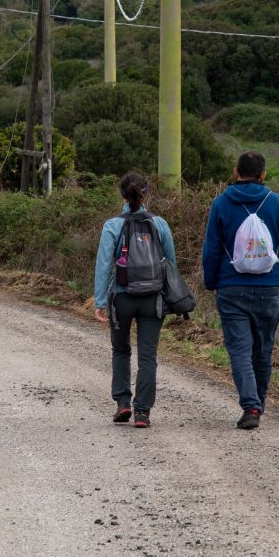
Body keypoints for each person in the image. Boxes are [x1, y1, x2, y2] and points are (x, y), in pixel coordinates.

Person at [201, 151, 279, 431]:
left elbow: (211, 249)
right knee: (263, 351)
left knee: (240, 351)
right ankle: (258, 404)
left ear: (236, 172)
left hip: (231, 287)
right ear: (263, 174)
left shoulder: (221, 203)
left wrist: (212, 282)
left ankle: (251, 406)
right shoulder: (278, 204)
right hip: (270, 288)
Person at [93, 172, 177, 429]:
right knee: (148, 355)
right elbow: (170, 263)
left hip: (121, 298)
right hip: (153, 299)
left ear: (121, 194)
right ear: (146, 193)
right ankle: (142, 412)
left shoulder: (112, 226)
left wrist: (100, 301)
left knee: (120, 350)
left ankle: (123, 403)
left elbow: (104, 266)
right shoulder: (159, 224)